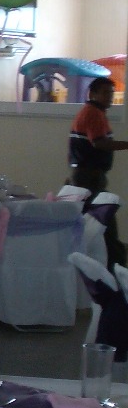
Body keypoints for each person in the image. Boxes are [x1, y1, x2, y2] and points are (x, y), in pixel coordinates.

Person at [68, 76, 127, 267]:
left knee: (98, 223)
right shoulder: (93, 113)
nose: (110, 97)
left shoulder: (94, 112)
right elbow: (100, 143)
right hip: (89, 177)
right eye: (105, 93)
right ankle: (117, 268)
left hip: (87, 176)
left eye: (111, 93)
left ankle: (111, 265)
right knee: (104, 223)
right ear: (92, 94)